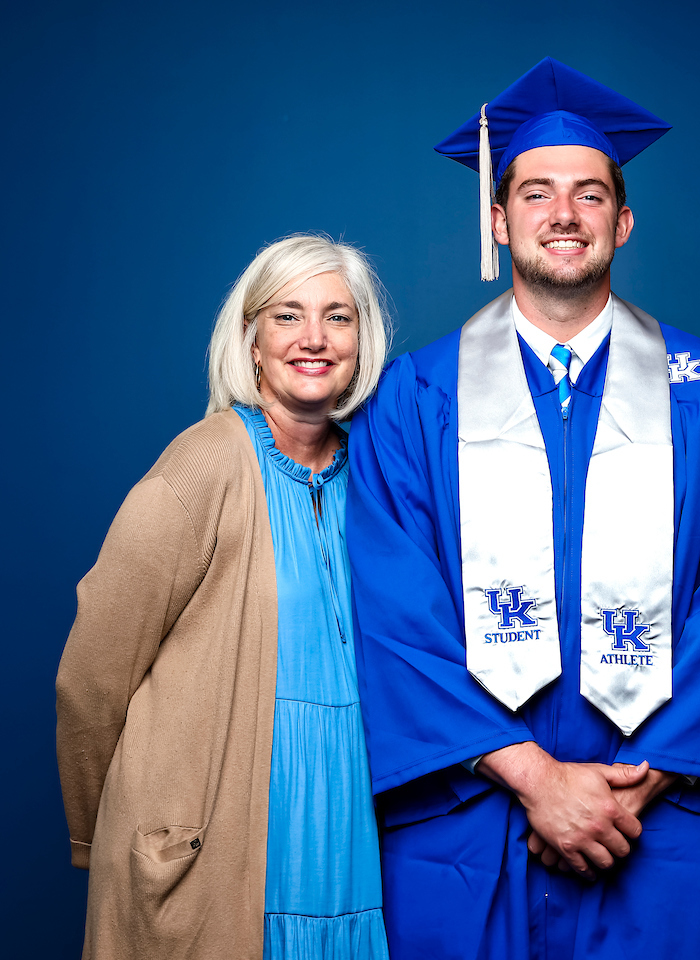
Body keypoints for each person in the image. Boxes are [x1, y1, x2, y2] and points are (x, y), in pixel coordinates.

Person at [347, 58, 700, 960]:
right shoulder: (415, 398)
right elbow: (395, 613)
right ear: (497, 217)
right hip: (477, 823)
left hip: (660, 825)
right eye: (538, 191)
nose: (564, 213)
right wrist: (531, 778)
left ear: (623, 222)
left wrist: (638, 786)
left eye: (590, 194)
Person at [56, 234, 392, 960]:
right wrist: (110, 830)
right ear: (251, 342)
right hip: (222, 847)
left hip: (348, 840)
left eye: (338, 317)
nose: (313, 338)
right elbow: (89, 678)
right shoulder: (203, 466)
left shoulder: (379, 478)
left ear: (363, 342)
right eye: (287, 316)